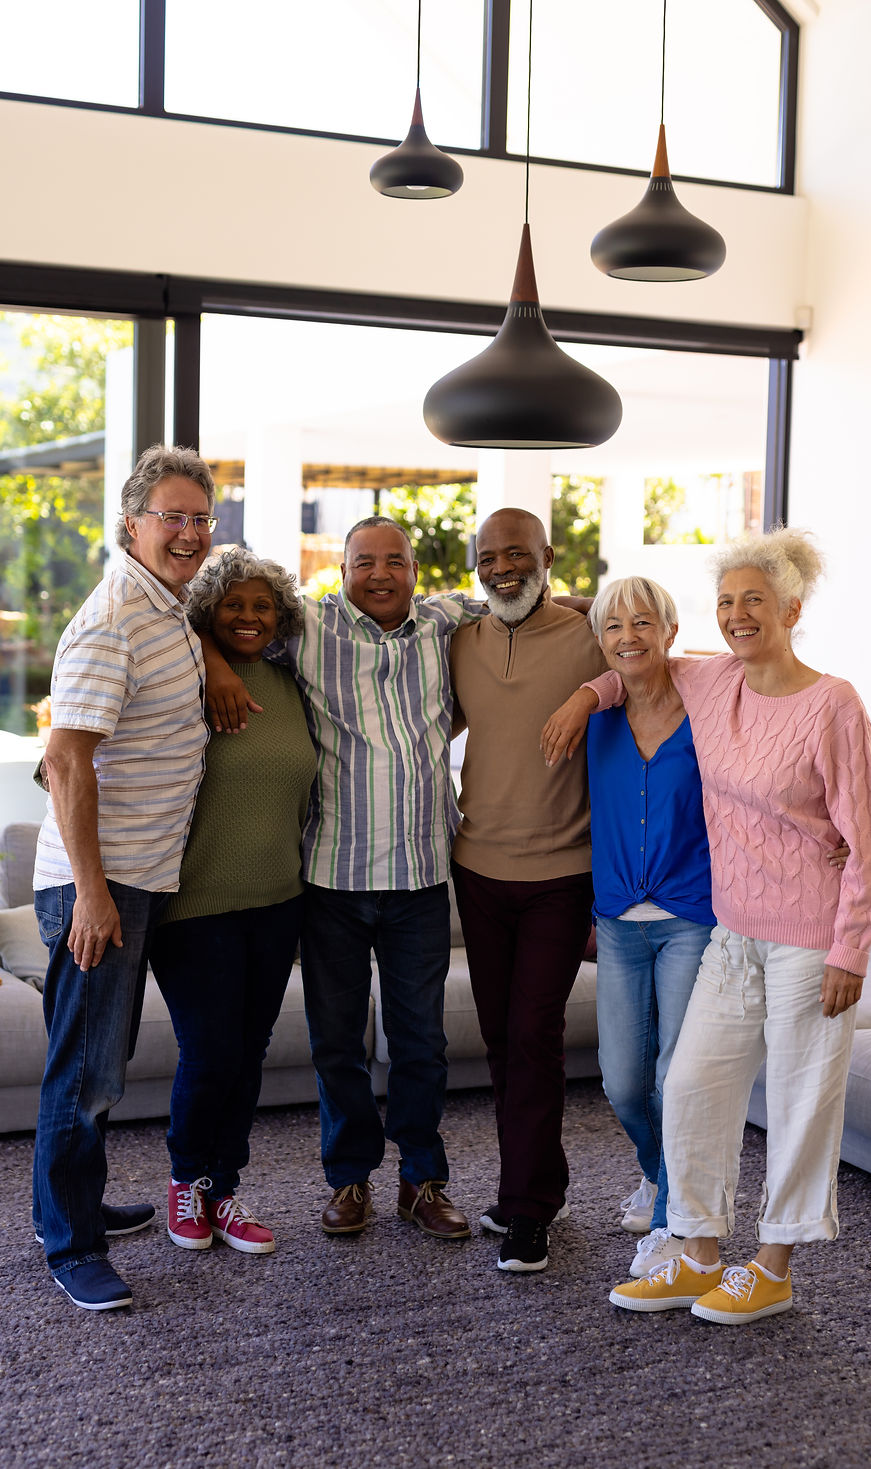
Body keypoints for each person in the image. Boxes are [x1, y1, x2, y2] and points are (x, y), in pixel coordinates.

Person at [542, 527, 871, 1325]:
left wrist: (852, 946)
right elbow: (633, 666)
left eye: (753, 601)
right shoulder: (711, 681)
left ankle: (773, 1265)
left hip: (810, 937)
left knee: (803, 1100)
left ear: (792, 609)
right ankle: (696, 1250)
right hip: (733, 931)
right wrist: (579, 679)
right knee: (691, 1084)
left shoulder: (832, 703)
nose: (736, 614)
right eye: (727, 601)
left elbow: (867, 837)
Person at [202, 517, 484, 1241]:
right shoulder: (307, 627)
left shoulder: (445, 617)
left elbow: (523, 600)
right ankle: (349, 1179)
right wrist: (216, 664)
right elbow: (199, 618)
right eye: (365, 561)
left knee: (420, 1041)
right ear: (343, 567)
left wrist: (583, 612)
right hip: (331, 877)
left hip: (421, 875)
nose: (382, 573)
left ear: (416, 568)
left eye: (396, 560)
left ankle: (422, 1180)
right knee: (337, 1042)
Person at [32, 444, 216, 1311]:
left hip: (131, 873)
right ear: (132, 522)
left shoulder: (164, 607)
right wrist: (94, 890)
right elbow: (67, 762)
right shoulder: (114, 616)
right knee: (89, 1071)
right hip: (97, 881)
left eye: (200, 517)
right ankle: (70, 1243)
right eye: (170, 515)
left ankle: (66, 1200)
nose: (187, 531)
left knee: (93, 1057)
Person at [449, 508, 607, 1273]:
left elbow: (657, 656)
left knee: (535, 1035)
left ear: (547, 557)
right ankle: (537, 1181)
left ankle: (527, 1210)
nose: (502, 567)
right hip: (477, 868)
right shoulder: (461, 642)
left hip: (561, 875)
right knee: (502, 1041)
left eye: (518, 553)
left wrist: (593, 692)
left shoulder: (589, 634)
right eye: (488, 556)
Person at [148, 547, 316, 1256]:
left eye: (263, 605)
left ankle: (225, 1187)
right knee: (209, 1052)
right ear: (208, 610)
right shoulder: (180, 672)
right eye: (235, 604)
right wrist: (210, 660)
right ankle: (185, 1180)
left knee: (248, 1051)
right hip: (194, 904)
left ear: (280, 616)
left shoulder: (293, 681)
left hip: (279, 900)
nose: (249, 616)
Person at [584, 576, 716, 1279]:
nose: (629, 636)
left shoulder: (709, 709)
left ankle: (670, 1220)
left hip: (690, 916)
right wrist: (586, 690)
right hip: (617, 923)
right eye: (613, 626)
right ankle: (656, 1170)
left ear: (670, 630)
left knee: (675, 1074)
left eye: (643, 621)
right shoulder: (595, 718)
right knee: (622, 1081)